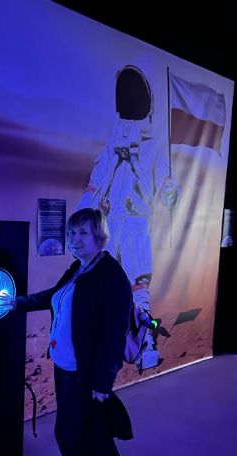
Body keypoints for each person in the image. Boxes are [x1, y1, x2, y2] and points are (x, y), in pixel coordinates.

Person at [0, 208, 132, 456]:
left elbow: (113, 335)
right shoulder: (79, 268)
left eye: (83, 233)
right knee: (69, 435)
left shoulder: (111, 277)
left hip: (85, 376)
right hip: (64, 367)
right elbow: (53, 296)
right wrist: (17, 303)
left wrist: (102, 383)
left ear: (99, 235)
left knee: (77, 438)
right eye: (71, 233)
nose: (75, 240)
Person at [77, 65, 179, 370]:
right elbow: (95, 183)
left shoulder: (155, 148)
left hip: (135, 224)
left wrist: (169, 191)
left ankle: (146, 344)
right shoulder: (112, 144)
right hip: (109, 226)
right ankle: (108, 343)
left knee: (138, 287)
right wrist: (84, 208)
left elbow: (164, 187)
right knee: (105, 286)